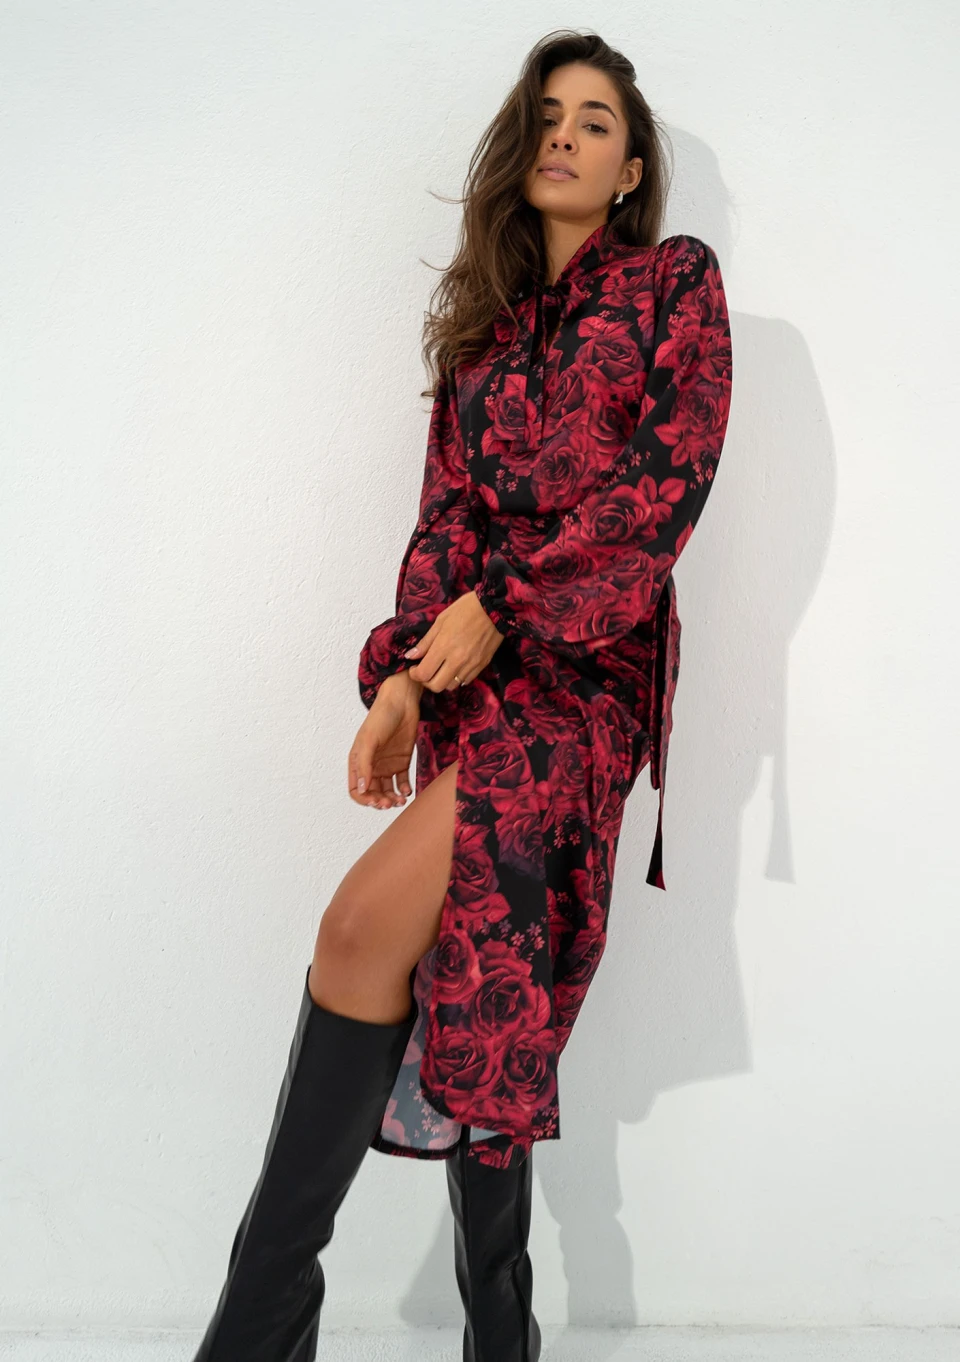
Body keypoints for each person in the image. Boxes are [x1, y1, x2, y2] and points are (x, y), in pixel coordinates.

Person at [191, 27, 732, 1362]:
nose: (565, 136)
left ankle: (259, 1321)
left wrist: (509, 606)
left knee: (361, 927)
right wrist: (397, 683)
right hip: (475, 684)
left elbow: (665, 487)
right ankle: (497, 1328)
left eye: (595, 121)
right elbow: (443, 521)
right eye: (547, 115)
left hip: (587, 681)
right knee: (478, 971)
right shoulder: (482, 330)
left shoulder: (672, 281)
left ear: (631, 165)